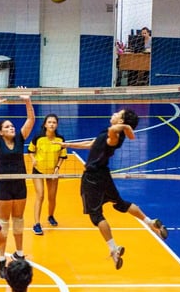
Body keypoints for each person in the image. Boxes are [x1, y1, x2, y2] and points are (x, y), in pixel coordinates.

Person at [62, 108, 169, 269]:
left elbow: (113, 132)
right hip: (103, 174)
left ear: (120, 121)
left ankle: (114, 249)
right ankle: (150, 222)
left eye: (117, 114)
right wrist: (66, 144)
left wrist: (126, 128)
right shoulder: (108, 132)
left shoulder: (114, 137)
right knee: (120, 204)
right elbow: (91, 144)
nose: (113, 113)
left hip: (92, 178)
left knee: (96, 215)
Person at [0, 94, 35, 277]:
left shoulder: (20, 138)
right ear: (1, 132)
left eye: (12, 125)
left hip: (20, 184)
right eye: (7, 126)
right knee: (3, 224)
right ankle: (2, 259)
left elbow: (31, 119)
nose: (11, 128)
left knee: (19, 221)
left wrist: (27, 101)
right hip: (3, 185)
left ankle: (19, 254)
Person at [28, 113, 67, 235]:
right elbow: (30, 151)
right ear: (45, 124)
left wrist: (57, 167)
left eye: (54, 122)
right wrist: (33, 159)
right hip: (38, 170)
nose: (52, 124)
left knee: (52, 197)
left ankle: (50, 216)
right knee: (40, 195)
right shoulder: (38, 137)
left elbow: (62, 155)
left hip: (52, 172)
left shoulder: (60, 139)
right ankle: (37, 224)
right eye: (49, 122)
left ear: (57, 125)